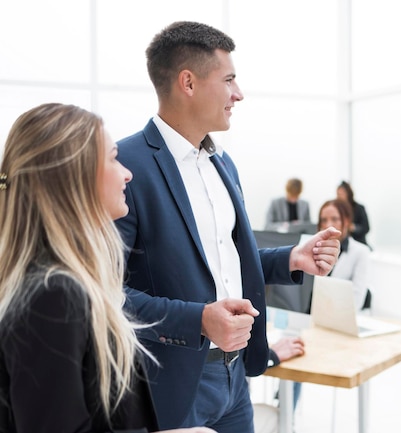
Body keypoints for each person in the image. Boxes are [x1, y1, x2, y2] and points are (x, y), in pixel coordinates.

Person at [115, 21, 341, 433]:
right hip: (166, 385)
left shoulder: (223, 164)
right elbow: (105, 294)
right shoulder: (125, 167)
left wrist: (291, 258)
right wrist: (199, 319)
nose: (239, 93)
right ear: (188, 82)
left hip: (235, 379)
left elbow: (226, 258)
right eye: (229, 80)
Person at [0, 103, 214, 433]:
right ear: (76, 176)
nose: (127, 172)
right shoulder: (53, 295)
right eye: (113, 158)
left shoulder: (62, 282)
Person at [318, 199, 372, 310]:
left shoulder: (361, 251)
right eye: (324, 220)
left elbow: (357, 300)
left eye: (334, 219)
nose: (328, 225)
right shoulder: (314, 249)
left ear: (346, 221)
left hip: (342, 317)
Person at [336, 180, 370, 247]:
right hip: (341, 244)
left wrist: (353, 227)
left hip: (358, 242)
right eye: (338, 194)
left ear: (348, 194)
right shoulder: (336, 209)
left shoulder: (359, 208)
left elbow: (366, 227)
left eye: (341, 194)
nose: (339, 197)